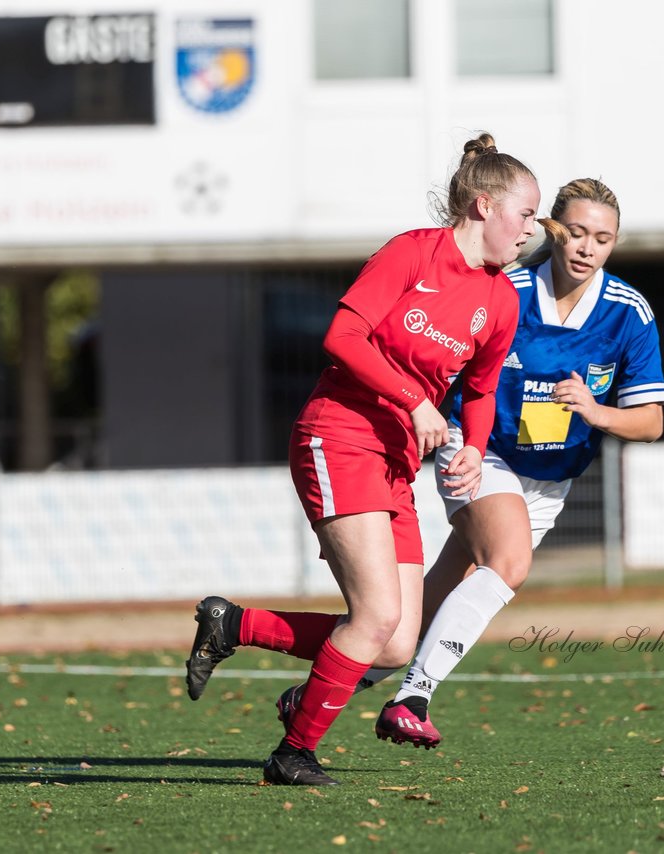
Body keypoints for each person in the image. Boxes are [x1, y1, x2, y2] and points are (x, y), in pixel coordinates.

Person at [184, 132, 542, 786]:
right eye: (525, 215)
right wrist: (414, 401)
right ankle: (293, 753)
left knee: (398, 640)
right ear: (484, 206)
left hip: (395, 461)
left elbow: (484, 389)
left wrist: (474, 449)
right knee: (376, 617)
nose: (531, 232)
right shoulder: (413, 253)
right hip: (338, 434)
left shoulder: (501, 299)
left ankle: (232, 624)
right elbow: (341, 335)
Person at [275, 178, 664, 748]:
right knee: (508, 562)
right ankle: (414, 697)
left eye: (602, 238)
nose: (587, 247)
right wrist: (425, 414)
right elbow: (442, 364)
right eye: (577, 232)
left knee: (418, 617)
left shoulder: (627, 312)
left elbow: (651, 422)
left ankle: (310, 696)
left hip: (549, 482)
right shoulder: (503, 285)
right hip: (481, 452)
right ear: (554, 230)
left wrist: (596, 411)